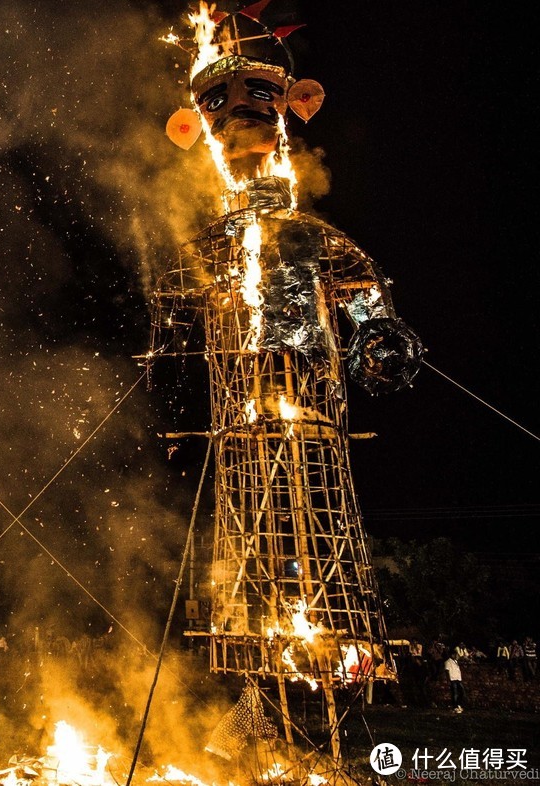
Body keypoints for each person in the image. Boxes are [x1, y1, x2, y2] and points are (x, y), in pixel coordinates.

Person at [153, 7, 423, 697]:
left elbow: (366, 299)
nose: (240, 111)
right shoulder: (212, 243)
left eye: (260, 95)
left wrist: (377, 338)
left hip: (310, 401)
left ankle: (326, 680)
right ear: (196, 126)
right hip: (238, 403)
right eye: (217, 101)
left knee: (320, 513)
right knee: (246, 521)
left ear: (292, 109)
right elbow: (172, 310)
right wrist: (165, 350)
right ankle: (256, 688)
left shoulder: (307, 233)